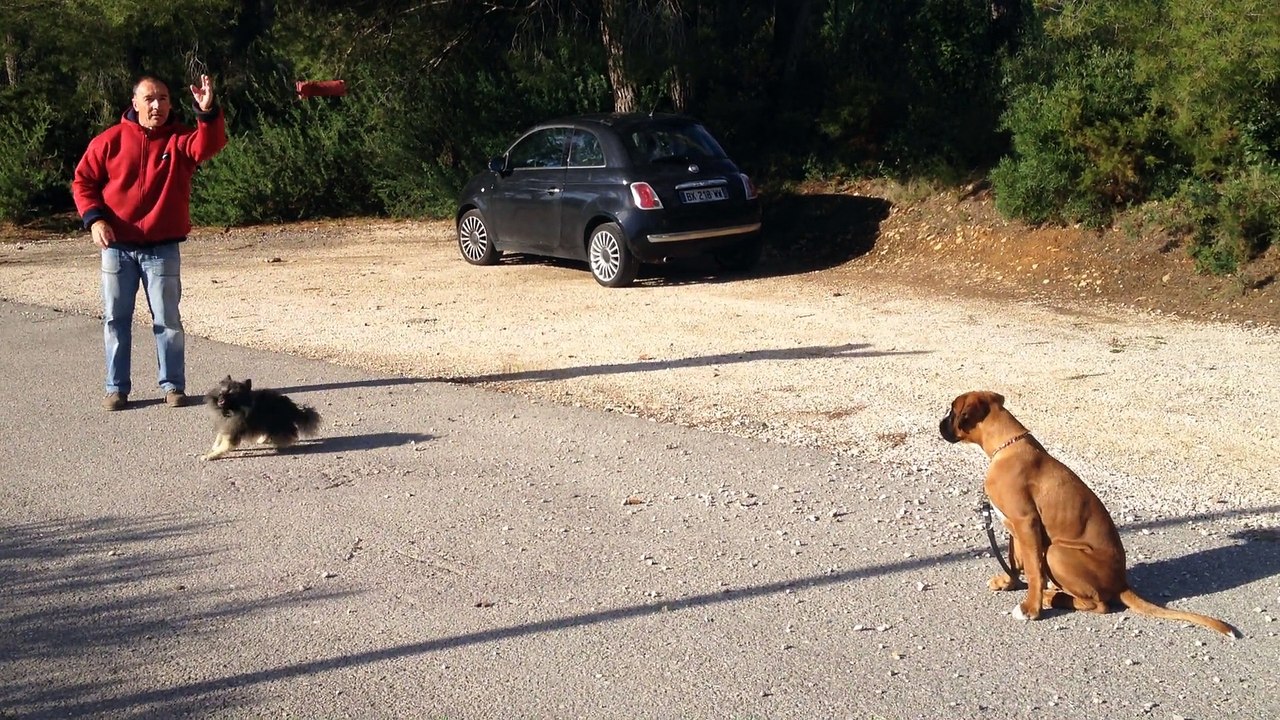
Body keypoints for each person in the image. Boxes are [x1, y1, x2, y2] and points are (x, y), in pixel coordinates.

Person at [72, 74, 227, 410]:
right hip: (117, 248)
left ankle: (173, 386)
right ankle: (116, 389)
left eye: (164, 99)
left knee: (168, 319)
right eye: (150, 99)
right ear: (135, 102)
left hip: (162, 248)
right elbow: (83, 182)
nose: (157, 105)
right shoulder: (109, 141)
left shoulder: (181, 139)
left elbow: (209, 145)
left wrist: (208, 110)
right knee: (115, 319)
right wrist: (95, 220)